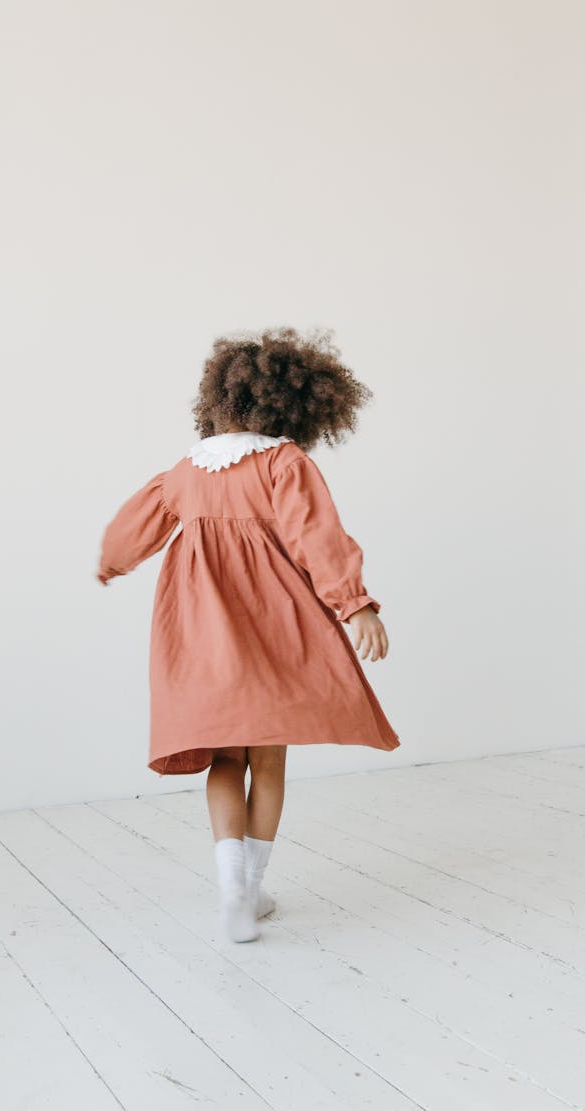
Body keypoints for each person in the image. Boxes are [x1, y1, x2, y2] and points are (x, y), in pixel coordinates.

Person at [96, 326, 400, 943]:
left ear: (215, 400)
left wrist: (111, 563)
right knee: (269, 758)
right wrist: (355, 605)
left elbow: (129, 533)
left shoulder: (184, 471)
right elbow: (319, 538)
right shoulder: (284, 461)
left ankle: (232, 888)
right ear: (295, 405)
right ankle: (253, 889)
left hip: (203, 635)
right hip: (275, 625)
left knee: (225, 757)